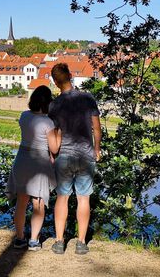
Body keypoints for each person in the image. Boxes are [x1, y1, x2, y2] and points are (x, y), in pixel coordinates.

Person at [48, 62, 101, 255]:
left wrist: (52, 154)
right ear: (70, 75)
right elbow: (96, 127)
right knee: (83, 198)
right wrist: (97, 148)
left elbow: (53, 133)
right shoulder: (87, 98)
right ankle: (80, 243)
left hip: (64, 156)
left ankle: (59, 242)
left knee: (62, 198)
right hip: (85, 155)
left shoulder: (54, 105)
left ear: (55, 82)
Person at [6, 85, 61, 250]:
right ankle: (33, 240)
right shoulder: (48, 122)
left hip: (22, 159)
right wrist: (59, 132)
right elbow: (54, 149)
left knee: (21, 202)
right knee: (38, 202)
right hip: (39, 162)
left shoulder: (24, 116)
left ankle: (19, 238)